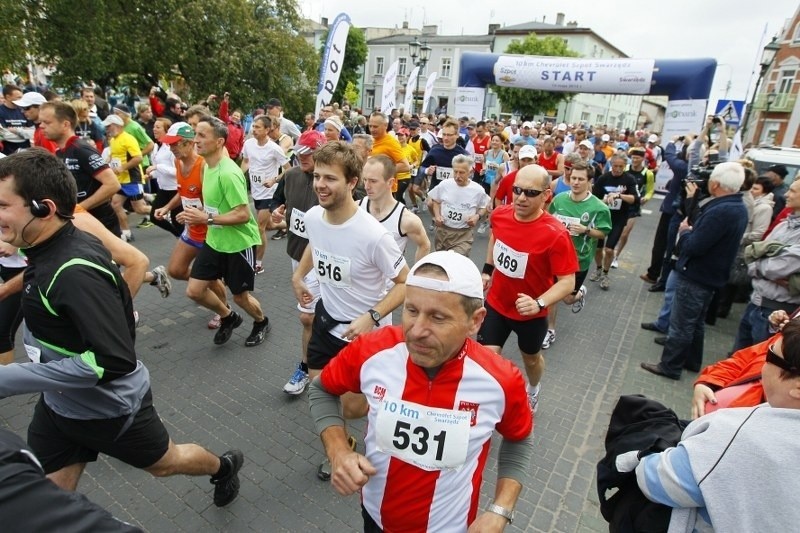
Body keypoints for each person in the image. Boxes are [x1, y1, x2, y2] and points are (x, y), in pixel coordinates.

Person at [0, 149, 243, 508]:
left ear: (44, 209)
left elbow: (111, 360)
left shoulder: (73, 271)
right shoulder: (45, 246)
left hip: (111, 410)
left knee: (166, 464)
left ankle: (223, 467)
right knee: (43, 504)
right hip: (60, 407)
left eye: (4, 206)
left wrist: (10, 379)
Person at [308, 251, 533, 532]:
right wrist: (338, 451)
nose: (416, 331)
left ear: (475, 321)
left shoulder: (500, 379)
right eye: (411, 311)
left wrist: (501, 509)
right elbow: (321, 390)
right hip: (376, 518)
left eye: (438, 318)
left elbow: (519, 439)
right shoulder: (373, 350)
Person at [291, 141, 408, 480]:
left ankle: (387, 403)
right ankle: (342, 450)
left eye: (331, 178)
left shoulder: (374, 235)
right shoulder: (314, 216)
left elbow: (405, 282)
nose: (320, 185)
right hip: (326, 323)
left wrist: (371, 316)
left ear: (352, 183)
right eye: (317, 177)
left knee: (353, 407)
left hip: (364, 336)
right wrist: (299, 275)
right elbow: (317, 242)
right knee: (321, 394)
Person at [633, 319, 800, 532]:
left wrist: (637, 459)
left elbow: (655, 480)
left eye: (770, 355)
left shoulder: (746, 438)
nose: (762, 362)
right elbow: (744, 358)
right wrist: (708, 381)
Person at [478, 164, 578, 411]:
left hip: (530, 314)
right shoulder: (500, 215)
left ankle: (533, 389)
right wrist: (487, 270)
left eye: (531, 193)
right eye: (517, 190)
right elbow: (495, 238)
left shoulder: (555, 234)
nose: (521, 198)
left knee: (531, 360)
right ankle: (487, 404)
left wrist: (539, 303)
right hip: (497, 303)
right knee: (486, 358)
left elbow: (568, 282)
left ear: (546, 195)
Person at [641, 162, 748, 380]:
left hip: (697, 275)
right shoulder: (736, 206)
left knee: (682, 324)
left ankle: (670, 366)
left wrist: (686, 231)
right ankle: (691, 360)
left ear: (715, 183)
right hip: (709, 276)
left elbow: (694, 245)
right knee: (695, 322)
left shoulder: (721, 210)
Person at [183, 117, 268, 346]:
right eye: (195, 134)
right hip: (215, 240)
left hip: (238, 244)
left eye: (202, 135)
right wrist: (196, 213)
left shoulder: (228, 173)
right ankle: (229, 317)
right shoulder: (206, 166)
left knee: (240, 297)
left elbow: (243, 215)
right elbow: (215, 204)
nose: (195, 140)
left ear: (219, 141)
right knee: (194, 290)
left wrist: (206, 218)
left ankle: (261, 321)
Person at [153, 122, 228, 330]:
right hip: (191, 229)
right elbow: (183, 191)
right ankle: (204, 287)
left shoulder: (203, 166)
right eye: (169, 145)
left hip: (210, 231)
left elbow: (216, 200)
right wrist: (168, 207)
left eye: (175, 144)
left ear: (188, 143)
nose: (171, 149)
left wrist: (199, 215)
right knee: (176, 270)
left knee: (208, 277)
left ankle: (223, 309)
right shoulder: (178, 163)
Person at [546, 161, 612, 346]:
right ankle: (550, 330)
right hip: (556, 256)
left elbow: (604, 232)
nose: (575, 182)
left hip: (579, 260)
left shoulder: (599, 207)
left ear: (589, 181)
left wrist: (586, 230)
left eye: (580, 179)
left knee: (567, 299)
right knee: (554, 294)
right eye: (573, 178)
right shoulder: (559, 199)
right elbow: (549, 221)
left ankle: (579, 293)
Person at [732, 178, 800, 351]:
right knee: (737, 359)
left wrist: (758, 264)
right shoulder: (785, 224)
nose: (785, 194)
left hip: (775, 312)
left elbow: (776, 268)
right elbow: (754, 255)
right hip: (756, 303)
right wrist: (760, 264)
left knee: (756, 365)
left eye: (792, 191)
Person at [39, 102, 121, 236]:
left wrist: (79, 209)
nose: (41, 126)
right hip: (80, 225)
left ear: (65, 124)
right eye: (41, 122)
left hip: (100, 223)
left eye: (47, 122)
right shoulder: (60, 152)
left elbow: (112, 184)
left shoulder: (81, 149)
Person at [241, 114, 290, 274]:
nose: (253, 130)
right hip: (256, 191)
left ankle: (258, 264)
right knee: (269, 225)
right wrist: (240, 175)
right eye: (253, 127)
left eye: (257, 127)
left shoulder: (274, 148)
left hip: (269, 193)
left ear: (267, 130)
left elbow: (288, 170)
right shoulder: (248, 144)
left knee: (259, 228)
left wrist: (274, 180)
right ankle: (290, 226)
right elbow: (246, 161)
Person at [360, 155, 430, 263]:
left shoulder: (406, 219)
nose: (366, 186)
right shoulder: (355, 208)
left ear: (390, 182)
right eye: (365, 180)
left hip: (390, 279)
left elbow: (424, 245)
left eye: (373, 181)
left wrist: (413, 277)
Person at [589, 155, 640, 290]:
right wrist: (604, 201)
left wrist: (619, 195)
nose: (617, 169)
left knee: (609, 249)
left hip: (618, 219)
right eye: (615, 166)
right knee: (598, 248)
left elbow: (635, 199)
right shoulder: (603, 178)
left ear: (625, 166)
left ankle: (606, 274)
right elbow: (593, 199)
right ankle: (598, 268)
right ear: (611, 165)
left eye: (621, 167)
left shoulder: (629, 179)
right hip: (601, 218)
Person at [428, 154, 489, 256]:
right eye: (455, 171)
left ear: (470, 172)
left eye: (461, 173)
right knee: (442, 263)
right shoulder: (445, 184)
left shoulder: (478, 190)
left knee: (455, 260)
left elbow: (485, 206)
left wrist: (477, 217)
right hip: (443, 231)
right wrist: (437, 216)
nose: (457, 176)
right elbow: (436, 201)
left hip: (463, 234)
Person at [103, 115, 151, 242]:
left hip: (132, 179)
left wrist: (122, 168)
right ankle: (126, 232)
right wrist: (107, 162)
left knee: (139, 209)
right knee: (115, 204)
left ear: (117, 125)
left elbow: (138, 158)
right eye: (106, 127)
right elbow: (114, 155)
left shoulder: (129, 139)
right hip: (120, 180)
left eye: (109, 126)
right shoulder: (113, 140)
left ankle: (164, 212)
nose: (107, 129)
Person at [145, 117, 184, 237]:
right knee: (155, 217)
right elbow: (161, 171)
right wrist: (152, 175)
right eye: (154, 127)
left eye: (158, 127)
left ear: (167, 130)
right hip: (163, 189)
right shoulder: (158, 147)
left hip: (175, 189)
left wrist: (157, 167)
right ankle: (180, 237)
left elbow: (178, 172)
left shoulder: (172, 148)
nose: (154, 129)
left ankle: (187, 243)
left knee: (177, 220)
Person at [0, 85, 31, 155]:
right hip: (8, 154)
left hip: (26, 153)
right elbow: (4, 134)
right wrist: (25, 133)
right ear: (8, 97)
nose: (21, 100)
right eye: (18, 97)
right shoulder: (1, 111)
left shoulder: (24, 110)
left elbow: (32, 132)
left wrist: (17, 131)